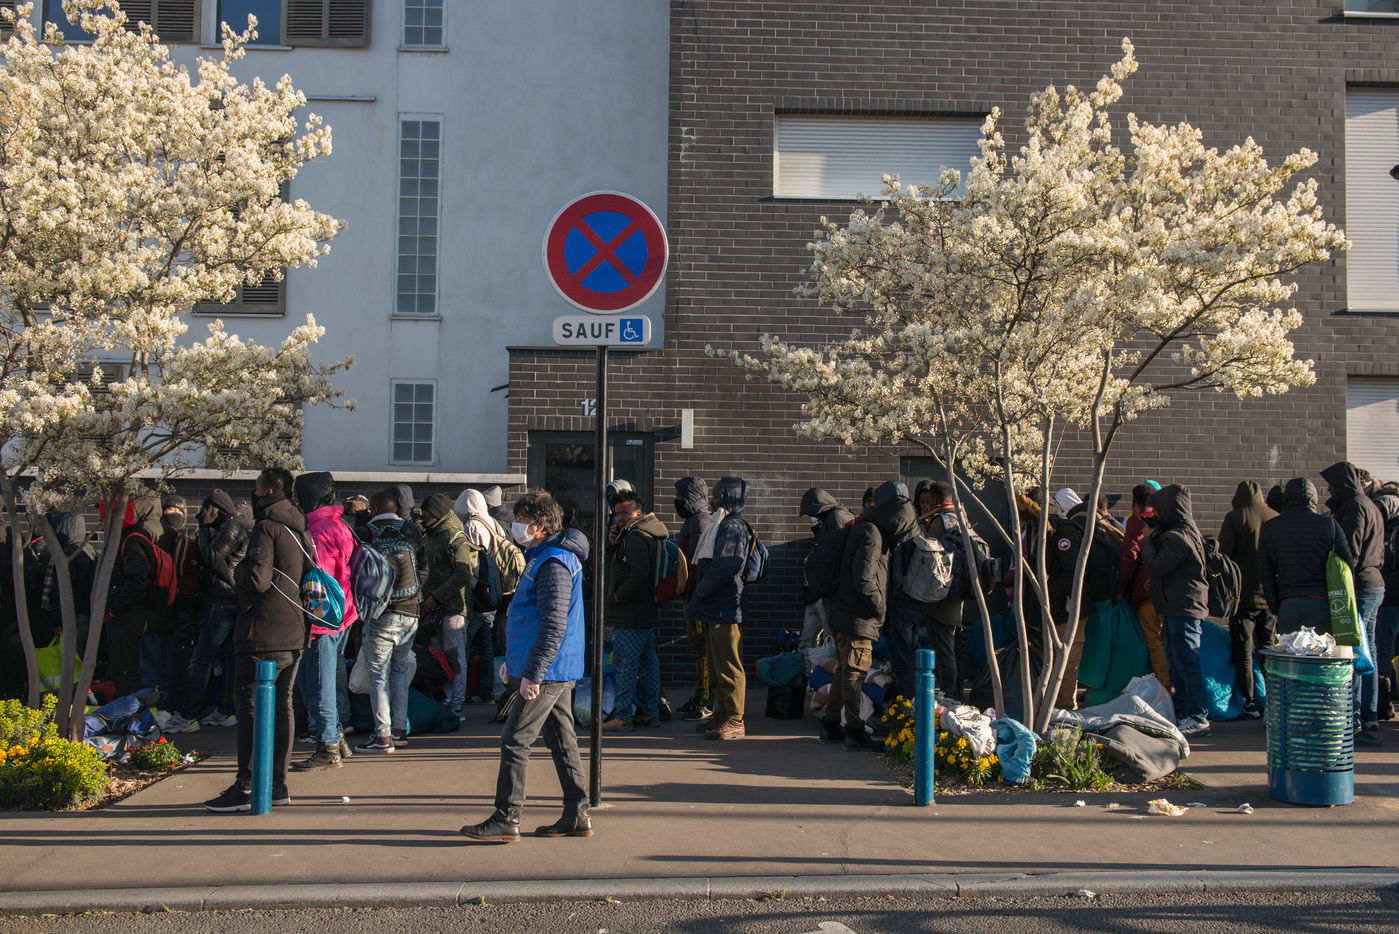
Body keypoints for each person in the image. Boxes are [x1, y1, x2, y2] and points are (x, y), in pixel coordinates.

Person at [460, 491, 592, 843]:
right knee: (561, 740)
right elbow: (535, 618)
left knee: (515, 739)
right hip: (550, 667)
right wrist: (516, 663)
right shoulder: (544, 557)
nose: (515, 526)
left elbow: (553, 624)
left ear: (540, 524)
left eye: (520, 520)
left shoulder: (553, 563)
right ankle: (577, 814)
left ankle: (507, 817)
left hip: (547, 670)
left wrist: (532, 673)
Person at [204, 468, 313, 812]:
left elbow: (257, 579)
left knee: (250, 706)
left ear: (267, 490)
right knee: (282, 706)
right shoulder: (300, 527)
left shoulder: (266, 528)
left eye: (255, 488)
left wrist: (237, 568)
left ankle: (247, 784)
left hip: (263, 631)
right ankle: (277, 784)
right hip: (295, 628)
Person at [824, 480, 918, 749]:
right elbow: (864, 578)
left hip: (847, 612)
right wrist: (880, 608)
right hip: (858, 616)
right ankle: (854, 731)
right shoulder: (872, 534)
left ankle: (831, 725)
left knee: (845, 670)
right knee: (855, 673)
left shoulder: (866, 528)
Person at [290, 472, 359, 771]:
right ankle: (336, 738)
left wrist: (314, 623)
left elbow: (317, 580)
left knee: (318, 685)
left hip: (323, 621)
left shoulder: (317, 531)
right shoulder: (339, 524)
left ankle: (328, 745)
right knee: (325, 681)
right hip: (343, 614)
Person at [355, 490, 427, 753]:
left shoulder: (365, 533)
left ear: (373, 509)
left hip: (381, 614)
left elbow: (358, 573)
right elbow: (423, 569)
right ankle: (399, 730)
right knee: (399, 670)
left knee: (379, 675)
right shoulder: (411, 531)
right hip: (410, 611)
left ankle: (382, 736)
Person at [1320, 461, 1387, 745]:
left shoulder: (1353, 507)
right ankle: (1370, 715)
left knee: (1353, 651)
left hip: (1357, 586)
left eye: (1331, 485)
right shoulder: (1368, 503)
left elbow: (1350, 550)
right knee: (1368, 651)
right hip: (1374, 583)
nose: (1329, 490)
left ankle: (1355, 717)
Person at [1141, 484, 1213, 738]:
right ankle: (1184, 713)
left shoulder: (1178, 537)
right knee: (1178, 662)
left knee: (1186, 664)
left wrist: (1146, 541)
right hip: (1178, 606)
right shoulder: (1184, 532)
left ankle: (1198, 717)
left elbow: (1157, 565)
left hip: (1183, 609)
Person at [687, 476, 755, 740]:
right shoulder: (722, 523)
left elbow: (727, 565)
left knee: (728, 664)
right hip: (716, 606)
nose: (712, 501)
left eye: (716, 496)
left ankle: (734, 719)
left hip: (725, 608)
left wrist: (700, 592)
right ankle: (722, 713)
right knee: (716, 665)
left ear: (727, 497)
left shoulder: (733, 526)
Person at [175, 490, 247, 731]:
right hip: (231, 599)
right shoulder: (237, 525)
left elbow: (211, 557)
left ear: (216, 510)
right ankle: (225, 711)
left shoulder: (232, 527)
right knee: (228, 659)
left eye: (207, 510)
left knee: (203, 659)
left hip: (222, 601)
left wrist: (204, 530)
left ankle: (188, 715)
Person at [600, 491, 668, 731]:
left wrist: (618, 596)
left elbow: (638, 574)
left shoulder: (636, 537)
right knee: (648, 665)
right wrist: (612, 545)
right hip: (645, 612)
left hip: (630, 614)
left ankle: (623, 717)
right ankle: (650, 713)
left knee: (625, 666)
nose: (620, 518)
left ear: (638, 513)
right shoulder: (645, 534)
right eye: (617, 513)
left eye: (625, 513)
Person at [1259, 478, 1353, 636]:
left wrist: (1275, 607)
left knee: (1291, 649)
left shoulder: (1270, 528)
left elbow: (1265, 573)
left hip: (1289, 602)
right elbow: (1347, 565)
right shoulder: (1329, 525)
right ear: (1314, 498)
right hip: (1323, 602)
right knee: (1322, 649)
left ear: (1287, 498)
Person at [1217, 480, 1278, 720]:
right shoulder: (1274, 516)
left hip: (1242, 597)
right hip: (1269, 597)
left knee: (1243, 648)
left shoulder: (1235, 518)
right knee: (1269, 648)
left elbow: (1224, 555)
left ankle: (1249, 701)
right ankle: (1273, 698)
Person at [419, 492, 476, 719]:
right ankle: (445, 700)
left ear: (438, 514)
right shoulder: (430, 534)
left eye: (427, 514)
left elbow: (463, 574)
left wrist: (436, 597)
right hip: (435, 609)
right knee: (439, 657)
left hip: (453, 609)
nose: (423, 517)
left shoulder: (455, 537)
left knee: (454, 657)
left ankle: (457, 705)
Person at [106, 493, 163, 699]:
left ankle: (131, 713)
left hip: (128, 615)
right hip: (131, 613)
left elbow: (136, 580)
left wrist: (115, 607)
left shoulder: (132, 541)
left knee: (127, 671)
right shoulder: (134, 538)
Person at [1120, 482, 1170, 691]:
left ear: (1135, 504)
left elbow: (1130, 557)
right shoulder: (1165, 519)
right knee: (1168, 639)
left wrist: (1120, 589)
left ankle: (1165, 686)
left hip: (1146, 592)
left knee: (1152, 640)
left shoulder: (1137, 521)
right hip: (1169, 589)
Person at [674, 476, 713, 719]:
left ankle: (705, 701)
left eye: (680, 496)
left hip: (697, 598)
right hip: (692, 595)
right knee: (698, 649)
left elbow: (699, 564)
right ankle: (700, 696)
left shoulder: (699, 522)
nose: (676, 500)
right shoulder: (693, 521)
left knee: (703, 650)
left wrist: (693, 595)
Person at [798, 487, 855, 652]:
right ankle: (813, 668)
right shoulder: (831, 519)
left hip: (827, 591)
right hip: (819, 591)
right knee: (810, 640)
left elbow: (834, 554)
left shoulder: (837, 518)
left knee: (829, 640)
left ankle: (826, 668)